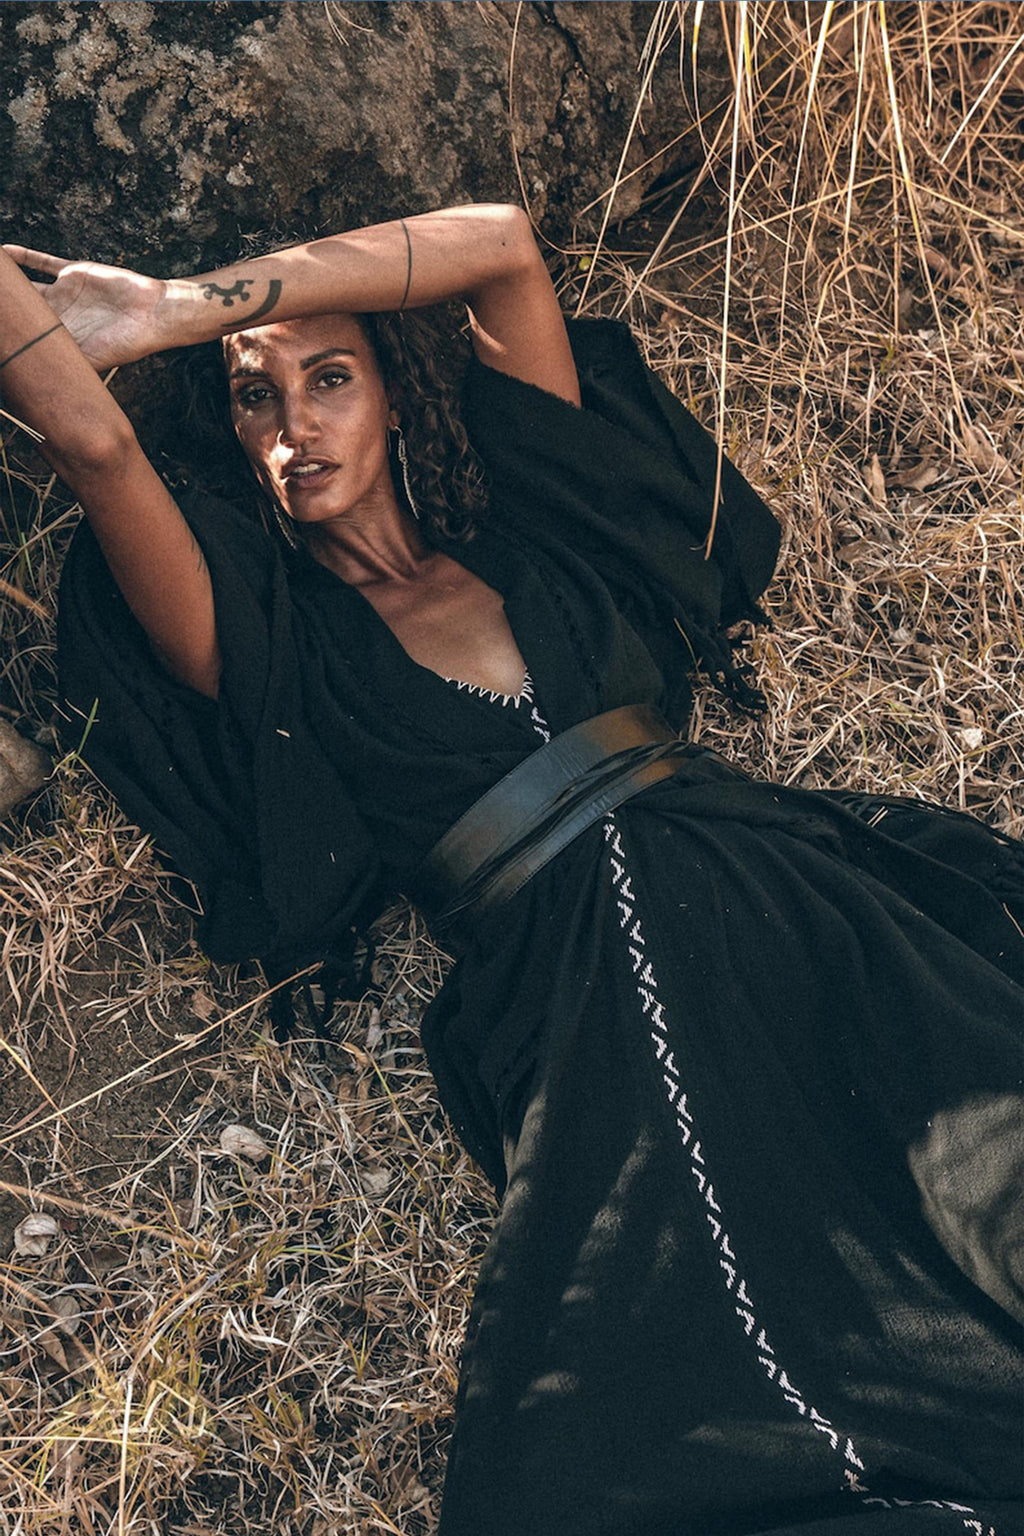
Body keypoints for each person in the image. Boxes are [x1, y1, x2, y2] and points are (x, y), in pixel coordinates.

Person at [2, 205, 1021, 1536]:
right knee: (714, 1294)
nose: (293, 427)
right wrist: (116, 353)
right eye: (255, 398)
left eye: (329, 379)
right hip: (588, 972)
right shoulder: (270, 646)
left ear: (392, 392)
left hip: (785, 883)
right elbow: (91, 440)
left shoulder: (534, 527)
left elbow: (499, 243)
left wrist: (178, 309)